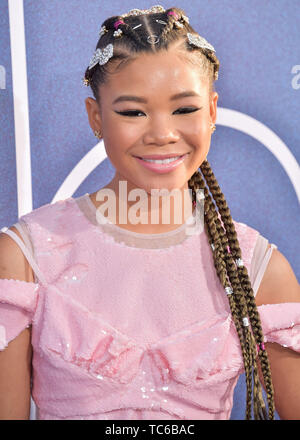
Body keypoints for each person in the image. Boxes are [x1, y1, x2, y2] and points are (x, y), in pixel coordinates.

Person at [0, 5, 299, 421]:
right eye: (133, 112)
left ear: (212, 112)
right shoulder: (25, 257)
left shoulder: (256, 268)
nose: (162, 133)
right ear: (95, 117)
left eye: (184, 109)